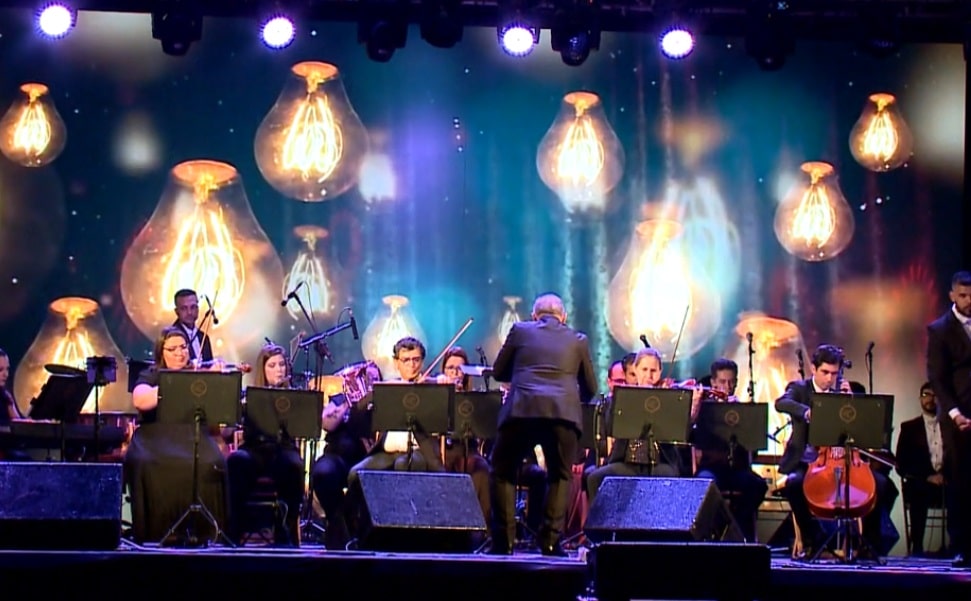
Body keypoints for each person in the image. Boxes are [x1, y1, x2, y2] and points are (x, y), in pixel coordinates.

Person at [488, 293, 597, 556]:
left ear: (534, 316)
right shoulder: (578, 339)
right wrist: (569, 398)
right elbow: (591, 388)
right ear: (564, 317)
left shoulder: (520, 330)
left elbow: (499, 372)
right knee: (560, 476)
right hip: (563, 415)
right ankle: (550, 543)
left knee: (503, 472)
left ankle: (504, 544)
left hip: (522, 410)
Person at [775, 343, 897, 558]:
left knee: (881, 484)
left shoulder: (845, 391)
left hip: (844, 460)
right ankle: (815, 539)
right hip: (809, 460)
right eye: (825, 373)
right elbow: (782, 403)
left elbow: (861, 428)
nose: (830, 379)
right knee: (794, 484)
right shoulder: (800, 389)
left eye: (834, 373)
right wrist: (807, 412)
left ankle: (868, 544)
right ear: (813, 369)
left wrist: (852, 404)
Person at [125, 326, 230, 545]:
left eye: (183, 347)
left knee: (212, 461)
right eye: (172, 349)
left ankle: (206, 531)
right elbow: (140, 400)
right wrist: (176, 386)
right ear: (161, 353)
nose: (180, 353)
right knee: (146, 462)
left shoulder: (197, 374)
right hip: (155, 435)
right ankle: (155, 532)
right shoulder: (152, 373)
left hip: (191, 434)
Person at [585, 348, 702, 506]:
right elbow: (610, 426)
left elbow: (683, 433)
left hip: (661, 463)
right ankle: (600, 530)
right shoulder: (623, 398)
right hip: (626, 463)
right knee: (595, 479)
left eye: (653, 370)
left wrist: (693, 408)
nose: (649, 375)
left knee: (670, 478)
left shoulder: (669, 398)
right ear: (636, 370)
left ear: (660, 372)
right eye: (644, 369)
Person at [226, 343, 305, 546]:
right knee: (236, 461)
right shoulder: (249, 395)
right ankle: (234, 531)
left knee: (293, 465)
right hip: (255, 449)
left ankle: (285, 532)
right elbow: (228, 429)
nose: (279, 369)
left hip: (283, 449)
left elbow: (302, 429)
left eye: (281, 365)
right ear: (262, 369)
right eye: (272, 365)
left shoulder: (295, 397)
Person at [691, 358, 768, 542]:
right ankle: (712, 535)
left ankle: (735, 530)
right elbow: (692, 438)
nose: (727, 386)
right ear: (713, 382)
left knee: (758, 486)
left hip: (737, 469)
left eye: (732, 382)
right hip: (711, 468)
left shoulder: (741, 409)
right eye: (723, 382)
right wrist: (697, 408)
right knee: (704, 484)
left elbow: (752, 446)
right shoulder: (703, 409)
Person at [310, 360, 381, 551]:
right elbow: (326, 424)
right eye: (364, 377)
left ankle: (352, 534)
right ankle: (340, 524)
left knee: (369, 482)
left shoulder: (383, 401)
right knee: (323, 473)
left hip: (368, 459)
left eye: (373, 378)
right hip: (338, 456)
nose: (368, 381)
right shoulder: (341, 399)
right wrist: (346, 405)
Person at [927, 270, 971, 568]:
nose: (969, 301)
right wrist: (956, 414)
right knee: (960, 481)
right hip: (958, 416)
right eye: (964, 295)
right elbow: (937, 378)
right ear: (952, 295)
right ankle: (961, 546)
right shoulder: (940, 329)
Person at [895, 382, 953, 556]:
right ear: (920, 398)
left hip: (948, 482)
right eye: (927, 394)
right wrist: (927, 477)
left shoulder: (951, 427)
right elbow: (901, 464)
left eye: (935, 395)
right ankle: (917, 547)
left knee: (961, 492)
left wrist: (945, 475)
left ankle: (956, 546)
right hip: (921, 483)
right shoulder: (909, 428)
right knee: (918, 491)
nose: (931, 399)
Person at [0, 348, 31, 462]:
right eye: (0, 370)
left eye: (7, 369)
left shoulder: (5, 395)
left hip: (8, 446)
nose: (6, 374)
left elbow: (17, 423)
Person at [171, 288, 213, 363]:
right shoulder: (172, 337)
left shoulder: (203, 337)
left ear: (198, 309)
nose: (189, 312)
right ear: (177, 312)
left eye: (193, 307)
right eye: (184, 308)